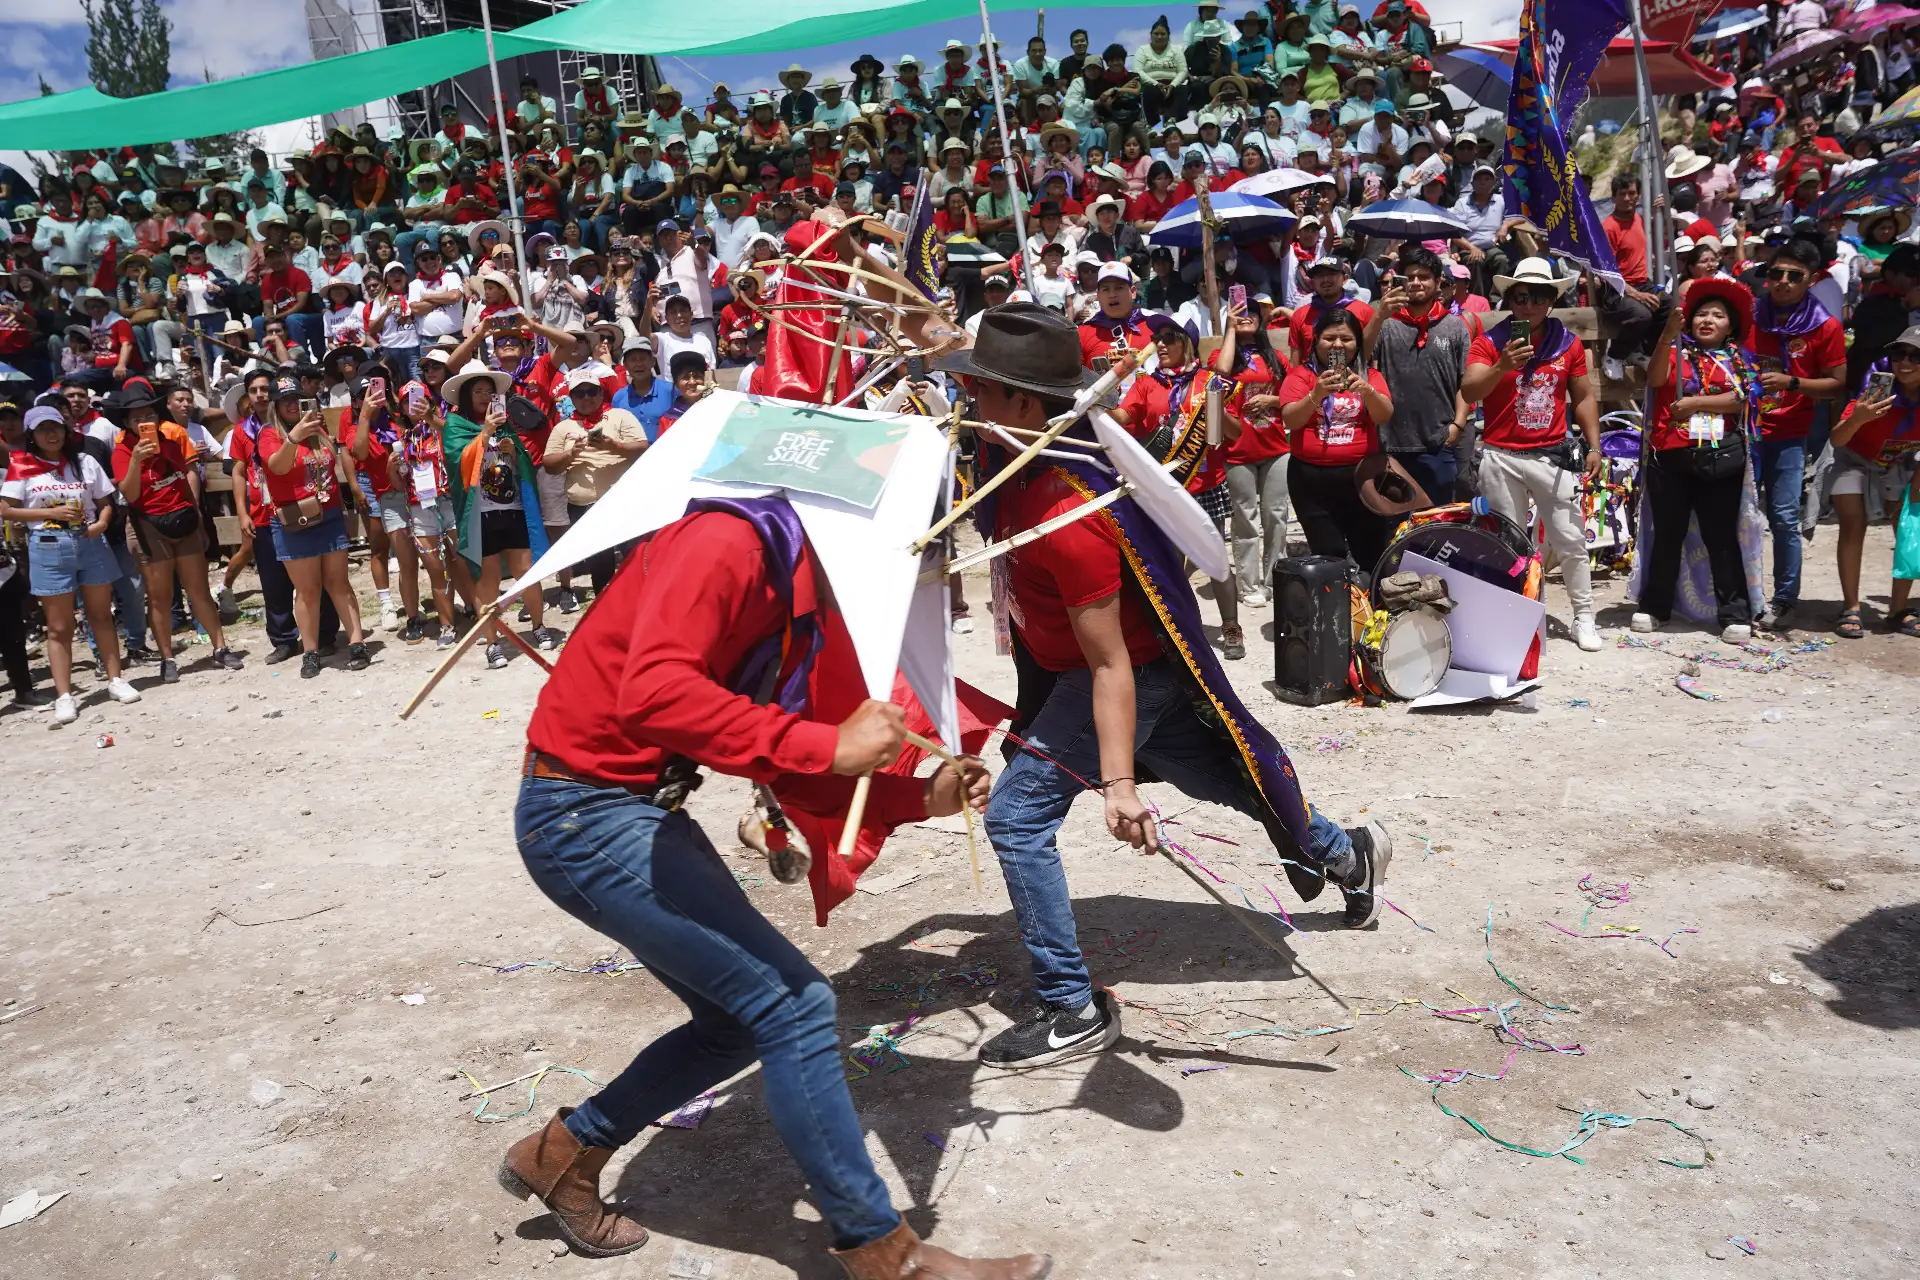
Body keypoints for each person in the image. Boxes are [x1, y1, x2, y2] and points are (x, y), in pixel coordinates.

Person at [939, 302, 1391, 1075]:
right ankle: (1348, 856)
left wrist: (1118, 788)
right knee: (1237, 786)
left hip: (1122, 680)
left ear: (1025, 402)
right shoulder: (1013, 455)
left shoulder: (1067, 508)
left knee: (1016, 818)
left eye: (980, 389)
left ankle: (1072, 1009)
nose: (966, 400)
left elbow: (1109, 665)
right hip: (1121, 679)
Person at [1461, 258, 1605, 652]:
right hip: (1501, 455)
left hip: (1551, 456)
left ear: (1551, 300)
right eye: (1521, 297)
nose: (1529, 305)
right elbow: (1470, 391)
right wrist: (1502, 366)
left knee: (1570, 538)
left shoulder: (1568, 344)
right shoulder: (1490, 342)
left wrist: (1594, 445)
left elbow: (1583, 397)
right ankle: (1518, 615)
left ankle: (1584, 616)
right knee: (1508, 543)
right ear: (1509, 299)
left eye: (1538, 297)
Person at [1635, 278, 1764, 640]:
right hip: (1670, 454)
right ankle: (1655, 608)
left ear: (1730, 326)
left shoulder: (1739, 360)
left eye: (1717, 315)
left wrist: (1695, 403)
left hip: (1719, 456)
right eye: (1701, 314)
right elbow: (1655, 379)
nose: (1707, 320)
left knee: (1720, 536)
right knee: (1667, 534)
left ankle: (1734, 613)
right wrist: (1667, 335)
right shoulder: (1675, 351)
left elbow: (1744, 397)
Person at [0, 404, 143, 725]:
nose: (51, 434)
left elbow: (105, 503)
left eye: (56, 427)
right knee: (59, 626)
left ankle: (115, 679)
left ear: (66, 431)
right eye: (43, 429)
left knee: (101, 616)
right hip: (48, 546)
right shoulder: (22, 466)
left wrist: (102, 524)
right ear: (32, 435)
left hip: (90, 543)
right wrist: (50, 513)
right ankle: (65, 695)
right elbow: (6, 509)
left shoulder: (85, 462)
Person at [106, 380, 244, 679]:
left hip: (182, 519)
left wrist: (196, 517)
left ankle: (220, 648)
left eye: (149, 416)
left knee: (199, 589)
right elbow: (130, 495)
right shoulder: (122, 450)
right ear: (127, 423)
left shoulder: (170, 440)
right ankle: (167, 658)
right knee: (160, 596)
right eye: (138, 418)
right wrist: (136, 460)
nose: (145, 422)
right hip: (148, 525)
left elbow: (185, 479)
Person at [1745, 238, 1845, 629]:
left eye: (1794, 275)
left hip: (1790, 433)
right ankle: (1739, 594)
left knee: (1784, 517)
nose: (1783, 281)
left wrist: (1793, 383)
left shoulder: (1825, 326)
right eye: (1776, 273)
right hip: (1745, 430)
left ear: (1812, 279)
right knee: (1739, 514)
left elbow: (1837, 384)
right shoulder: (1749, 314)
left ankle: (1785, 599)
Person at [439, 359, 556, 669]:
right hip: (481, 516)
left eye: (489, 392)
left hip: (512, 509)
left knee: (525, 571)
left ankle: (538, 626)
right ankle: (492, 643)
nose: (484, 397)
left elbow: (523, 464)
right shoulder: (454, 426)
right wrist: (484, 434)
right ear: (466, 395)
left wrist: (513, 452)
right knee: (486, 579)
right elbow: (458, 462)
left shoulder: (505, 425)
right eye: (477, 391)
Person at [254, 372, 371, 676]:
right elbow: (277, 467)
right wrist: (294, 437)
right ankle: (310, 652)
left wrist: (314, 431)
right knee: (308, 591)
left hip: (328, 515)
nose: (293, 405)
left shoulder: (318, 430)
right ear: (275, 405)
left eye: (298, 398)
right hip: (294, 520)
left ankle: (357, 643)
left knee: (339, 584)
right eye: (285, 400)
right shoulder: (269, 434)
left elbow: (332, 466)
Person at [1277, 306, 1396, 570]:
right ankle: (1337, 597)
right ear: (1315, 341)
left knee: (1371, 551)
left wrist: (1368, 392)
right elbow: (1291, 420)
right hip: (1311, 481)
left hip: (1362, 478)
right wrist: (1316, 394)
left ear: (1358, 343)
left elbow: (1384, 415)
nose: (1338, 345)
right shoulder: (1301, 376)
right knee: (1329, 554)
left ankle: (1371, 595)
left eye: (1346, 338)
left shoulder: (1370, 376)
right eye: (1329, 338)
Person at [1829, 326, 1920, 638]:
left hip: (1899, 461)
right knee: (1853, 523)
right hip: (1852, 457)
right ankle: (1851, 607)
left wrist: (1915, 490)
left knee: (1906, 527)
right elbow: (1838, 439)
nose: (1904, 362)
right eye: (1899, 353)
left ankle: (1898, 610)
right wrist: (1859, 417)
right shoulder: (1878, 389)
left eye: (1916, 356)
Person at [1364, 245, 1468, 504]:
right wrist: (1379, 315)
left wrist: (1458, 425)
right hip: (1391, 443)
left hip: (1438, 442)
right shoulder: (1386, 324)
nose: (1416, 282)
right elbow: (1359, 357)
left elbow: (1464, 381)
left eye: (1424, 277)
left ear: (1438, 282)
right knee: (1396, 518)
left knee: (1439, 516)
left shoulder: (1455, 326)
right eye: (1409, 277)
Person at [543, 367, 647, 598]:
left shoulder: (620, 416)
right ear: (572, 398)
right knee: (600, 566)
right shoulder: (563, 427)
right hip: (583, 507)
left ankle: (641, 605)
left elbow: (642, 447)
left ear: (601, 393)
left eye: (592, 392)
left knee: (635, 558)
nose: (587, 397)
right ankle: (607, 609)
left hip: (621, 502)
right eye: (580, 394)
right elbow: (549, 465)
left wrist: (615, 446)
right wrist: (571, 454)